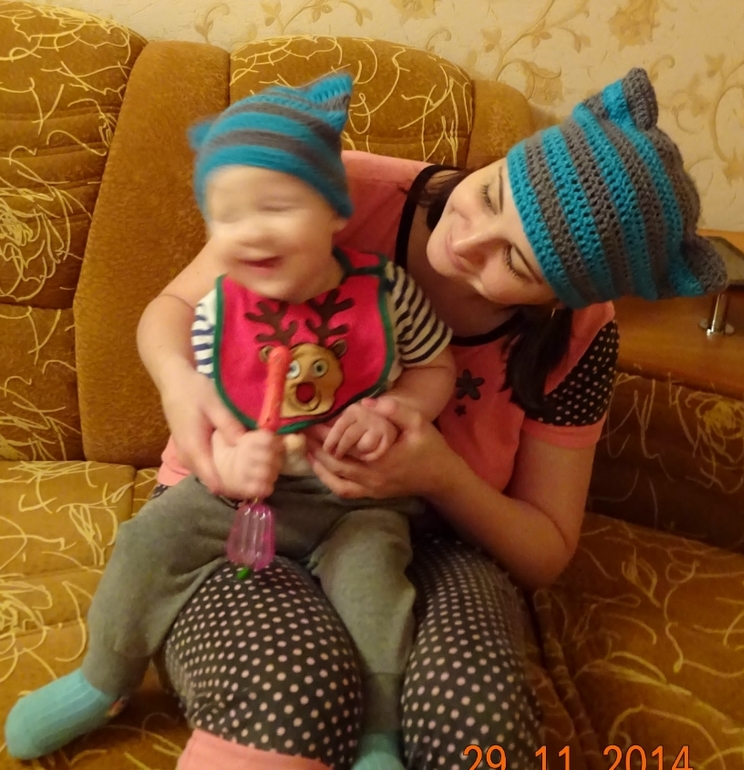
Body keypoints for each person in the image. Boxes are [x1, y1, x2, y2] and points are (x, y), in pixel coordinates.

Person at [155, 67, 726, 770]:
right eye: (489, 195)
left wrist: (440, 475)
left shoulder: (581, 337)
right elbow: (172, 310)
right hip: (245, 502)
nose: (466, 242)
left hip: (430, 539)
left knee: (477, 723)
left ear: (562, 300)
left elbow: (545, 549)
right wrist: (181, 390)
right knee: (292, 693)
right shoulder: (335, 190)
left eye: (515, 261)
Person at [3, 73, 455, 770]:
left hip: (356, 501)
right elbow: (212, 408)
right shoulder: (217, 310)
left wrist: (398, 409)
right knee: (146, 543)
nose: (251, 232)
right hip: (237, 497)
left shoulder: (389, 294)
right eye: (227, 216)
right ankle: (103, 679)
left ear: (334, 211)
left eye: (277, 206)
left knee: (378, 593)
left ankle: (377, 734)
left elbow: (434, 366)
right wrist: (230, 456)